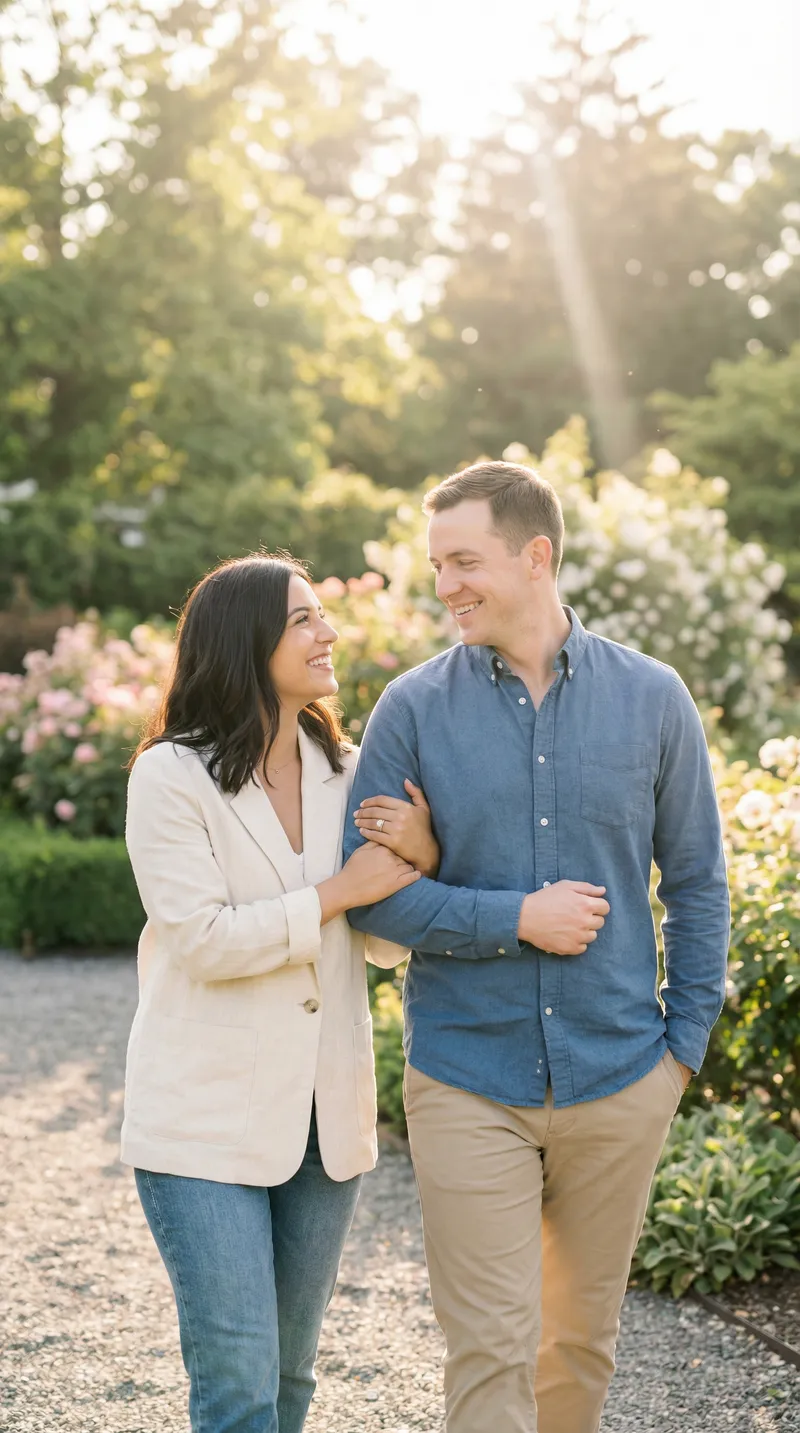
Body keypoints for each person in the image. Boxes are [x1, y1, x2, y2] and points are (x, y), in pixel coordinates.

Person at [344, 461, 731, 1433]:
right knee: (489, 1344)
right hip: (466, 1073)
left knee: (577, 1341)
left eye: (463, 560)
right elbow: (368, 903)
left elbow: (694, 882)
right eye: (436, 565)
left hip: (617, 1075)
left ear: (535, 556)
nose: (445, 586)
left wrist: (678, 1050)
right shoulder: (410, 710)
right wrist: (512, 915)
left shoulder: (652, 698)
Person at [120, 552, 433, 1433]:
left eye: (323, 615)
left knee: (291, 1379)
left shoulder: (352, 766)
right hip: (201, 1124)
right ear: (245, 639)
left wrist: (422, 856)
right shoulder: (169, 777)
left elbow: (379, 942)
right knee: (238, 1387)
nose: (328, 632)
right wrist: (340, 892)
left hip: (323, 1122)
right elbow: (205, 941)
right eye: (303, 618)